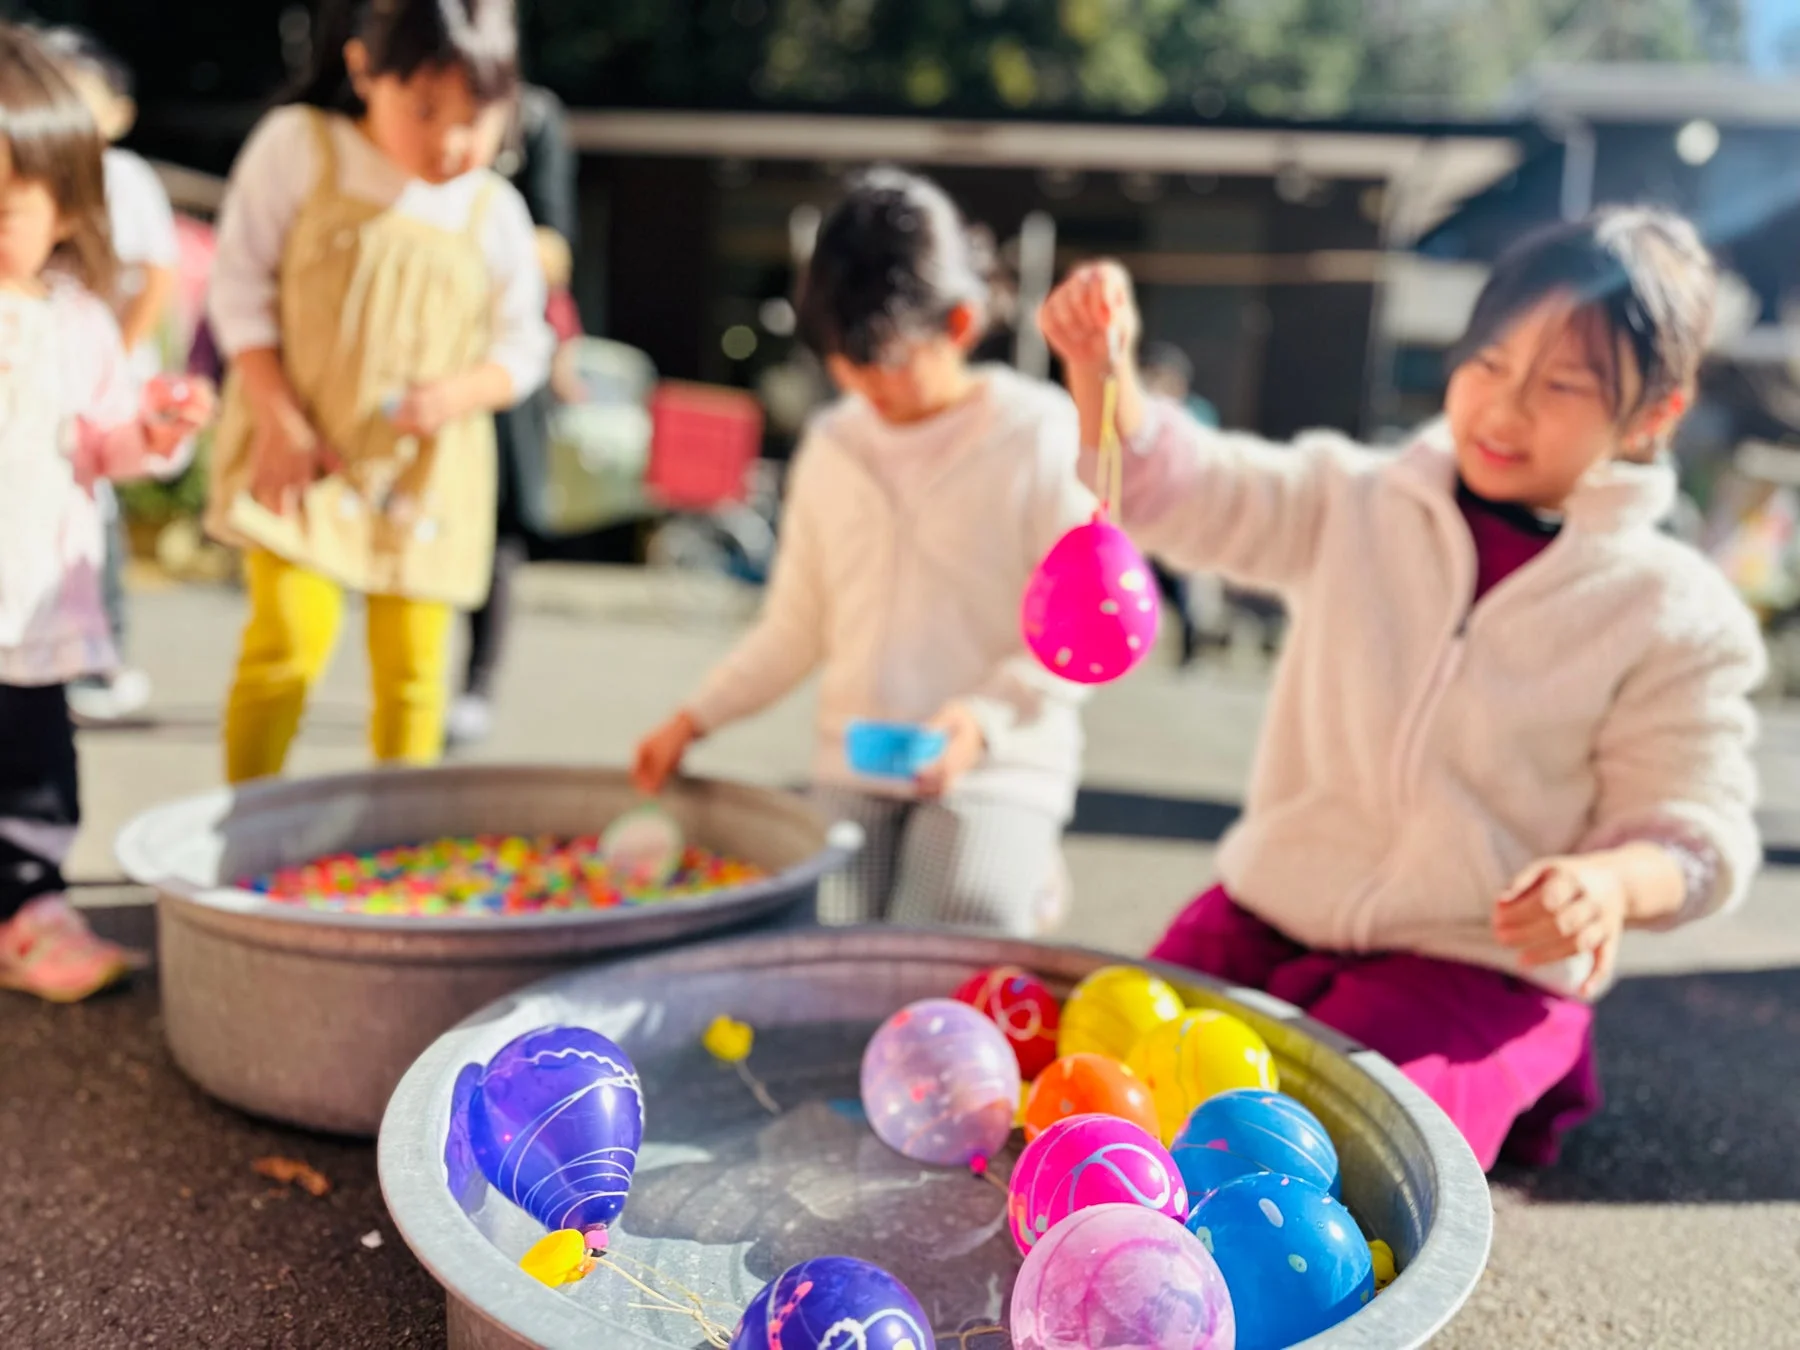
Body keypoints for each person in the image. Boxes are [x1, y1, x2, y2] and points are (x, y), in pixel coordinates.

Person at [1038, 208, 1763, 1170]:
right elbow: (1193, 490)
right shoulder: (1360, 499)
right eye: (1490, 365)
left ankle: (1525, 1063)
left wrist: (1607, 885)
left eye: (1559, 386)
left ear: (1654, 415)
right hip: (1271, 909)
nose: (1504, 411)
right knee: (1096, 1085)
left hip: (1469, 960)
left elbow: (1693, 828)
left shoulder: (1673, 607)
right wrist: (1104, 374)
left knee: (1333, 1158)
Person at [633, 168, 1092, 934]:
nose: (859, 381)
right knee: (822, 937)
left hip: (995, 767)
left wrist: (982, 720)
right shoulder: (834, 445)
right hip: (860, 766)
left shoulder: (1037, 435)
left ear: (960, 323)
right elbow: (794, 627)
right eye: (843, 360)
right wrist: (694, 718)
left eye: (883, 359)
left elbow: (1081, 627)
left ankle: (1019, 862)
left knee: (945, 925)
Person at [204, 0, 552, 783]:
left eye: (476, 118)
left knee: (416, 674)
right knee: (286, 646)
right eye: (425, 111)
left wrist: (460, 393)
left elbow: (525, 344)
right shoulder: (300, 147)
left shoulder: (495, 210)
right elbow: (238, 288)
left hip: (426, 476)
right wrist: (276, 415)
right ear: (363, 70)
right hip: (303, 449)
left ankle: (402, 861)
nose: (450, 142)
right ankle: (245, 829)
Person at [0, 25, 214, 1000]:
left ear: (61, 203)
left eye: (9, 204)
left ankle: (33, 909)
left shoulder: (77, 319)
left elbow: (105, 440)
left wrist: (156, 429)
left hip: (32, 595)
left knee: (34, 765)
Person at [41, 27, 182, 724]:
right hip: (48, 387)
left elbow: (158, 272)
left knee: (95, 519)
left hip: (108, 380)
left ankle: (102, 655)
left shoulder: (127, 180)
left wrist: (119, 353)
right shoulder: (41, 177)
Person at [445, 83, 580, 749]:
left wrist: (478, 240)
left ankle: (477, 680)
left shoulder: (532, 118)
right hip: (419, 353)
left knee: (495, 527)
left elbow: (556, 247)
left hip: (498, 351)